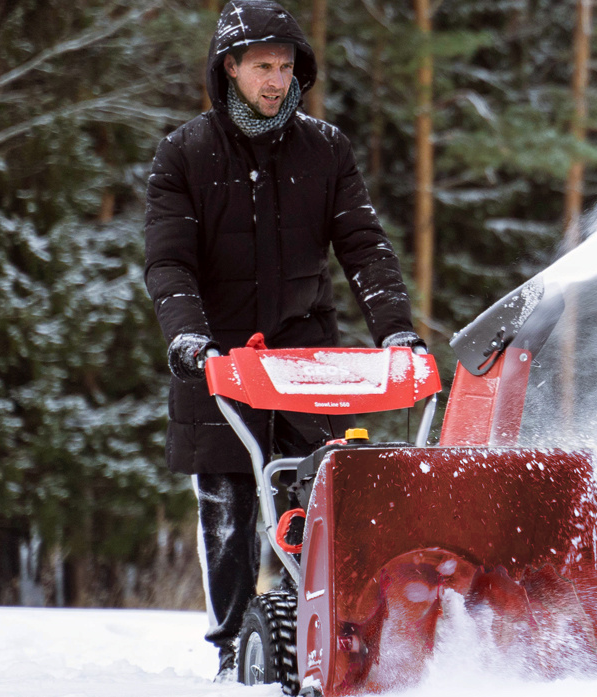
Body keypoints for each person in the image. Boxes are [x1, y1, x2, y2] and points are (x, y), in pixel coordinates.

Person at [142, 0, 422, 680]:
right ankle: (234, 650)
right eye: (262, 67)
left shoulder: (325, 150)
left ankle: (338, 633)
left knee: (327, 491)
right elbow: (169, 262)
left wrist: (396, 330)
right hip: (220, 359)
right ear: (229, 68)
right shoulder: (185, 154)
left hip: (305, 357)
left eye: (286, 66)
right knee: (230, 504)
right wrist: (189, 338)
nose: (277, 80)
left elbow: (364, 248)